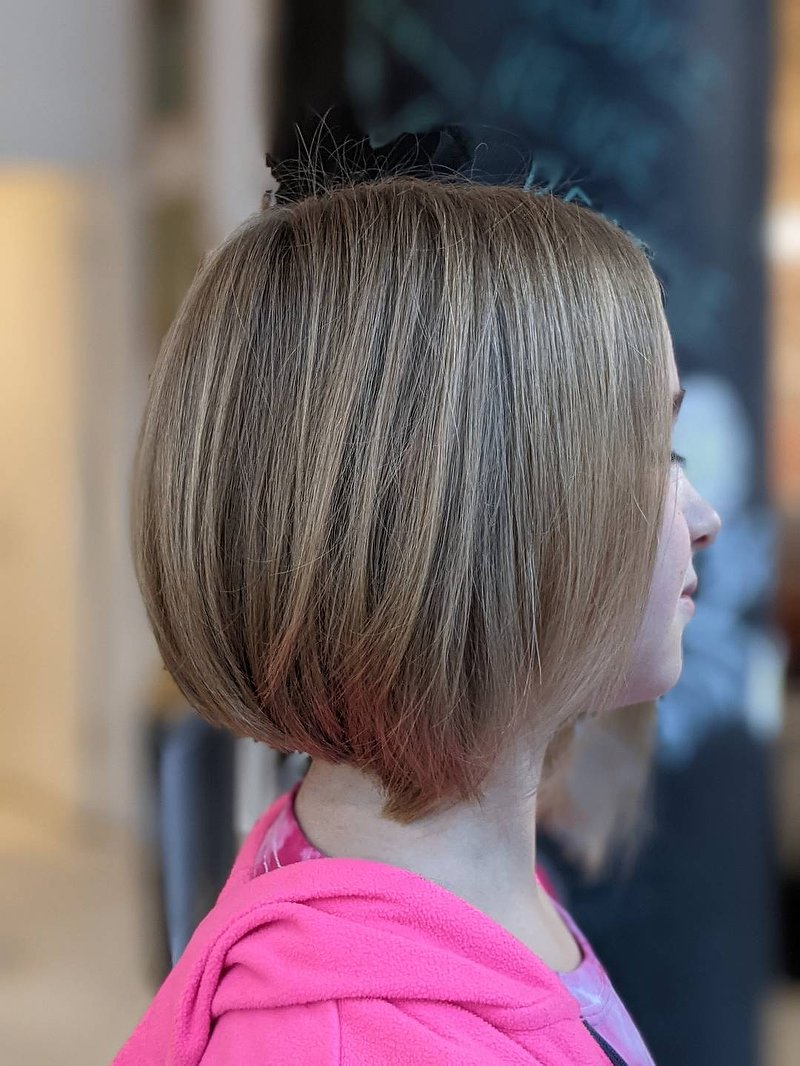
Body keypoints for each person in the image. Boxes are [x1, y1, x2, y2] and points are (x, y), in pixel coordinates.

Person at [115, 169, 721, 1065]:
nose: (705, 518)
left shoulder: (451, 895)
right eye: (654, 452)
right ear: (479, 527)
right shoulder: (345, 1041)